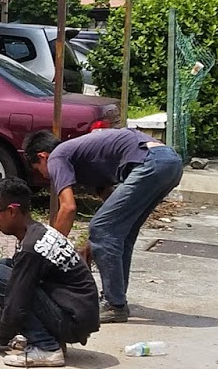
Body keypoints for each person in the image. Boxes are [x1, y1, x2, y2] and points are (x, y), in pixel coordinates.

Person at [23, 126, 183, 324]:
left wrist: (50, 250)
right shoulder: (83, 157)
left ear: (42, 156)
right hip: (170, 162)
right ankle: (116, 299)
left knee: (101, 229)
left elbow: (68, 207)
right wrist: (91, 246)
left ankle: (114, 304)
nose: (44, 176)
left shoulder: (57, 157)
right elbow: (111, 204)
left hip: (152, 162)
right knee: (121, 232)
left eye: (38, 168)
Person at [0, 177, 100, 368]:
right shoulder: (39, 232)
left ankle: (46, 347)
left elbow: (18, 300)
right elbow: (22, 286)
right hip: (74, 314)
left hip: (72, 321)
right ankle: (51, 341)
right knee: (7, 266)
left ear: (12, 211)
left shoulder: (31, 248)